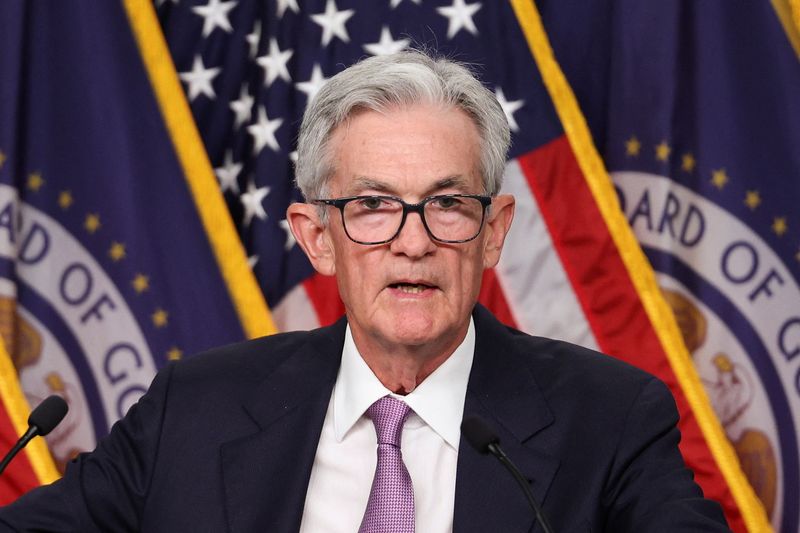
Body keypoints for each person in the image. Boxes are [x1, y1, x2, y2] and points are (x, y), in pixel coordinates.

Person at [0, 51, 730, 532]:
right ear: (317, 235)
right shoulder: (192, 411)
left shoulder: (609, 420)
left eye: (447, 204)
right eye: (374, 206)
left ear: (495, 229)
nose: (413, 241)